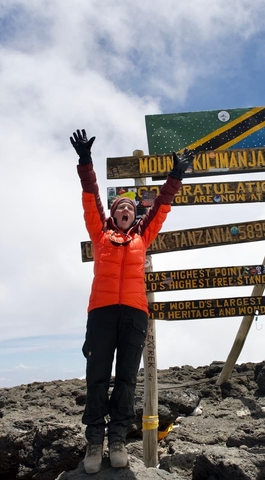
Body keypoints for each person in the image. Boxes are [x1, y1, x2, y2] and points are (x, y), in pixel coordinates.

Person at [71, 129, 191, 473]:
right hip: (102, 313)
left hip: (136, 315)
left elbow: (163, 206)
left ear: (134, 215)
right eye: (119, 207)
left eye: (129, 207)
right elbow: (90, 196)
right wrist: (85, 162)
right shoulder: (101, 234)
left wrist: (177, 175)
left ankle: (119, 438)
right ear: (113, 214)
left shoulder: (142, 235)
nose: (124, 210)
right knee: (97, 376)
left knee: (125, 378)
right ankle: (95, 442)